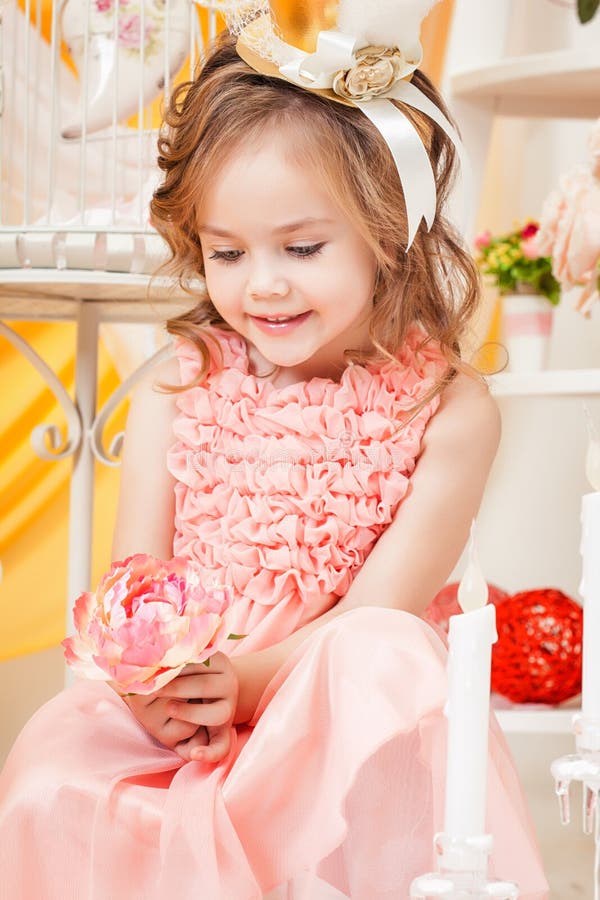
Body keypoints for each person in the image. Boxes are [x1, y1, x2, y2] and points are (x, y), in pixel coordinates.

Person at [0, 4, 549, 897]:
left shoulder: (447, 409)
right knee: (53, 758)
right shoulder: (173, 389)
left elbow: (382, 616)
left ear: (389, 232)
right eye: (225, 252)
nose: (262, 285)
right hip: (187, 716)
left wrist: (244, 683)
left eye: (302, 246)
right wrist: (152, 687)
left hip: (336, 727)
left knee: (383, 652)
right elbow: (134, 593)